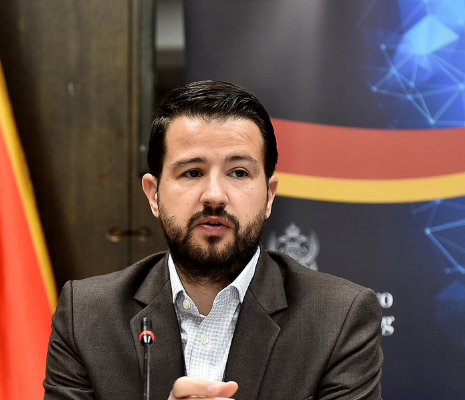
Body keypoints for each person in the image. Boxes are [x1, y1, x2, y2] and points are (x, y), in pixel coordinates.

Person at [43, 80, 383, 400]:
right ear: (153, 195)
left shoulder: (338, 317)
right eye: (192, 172)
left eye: (239, 173)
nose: (215, 195)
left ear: (269, 195)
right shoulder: (86, 316)